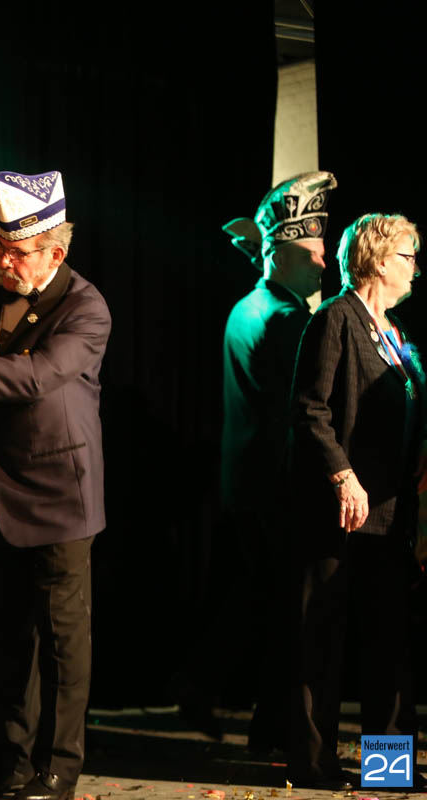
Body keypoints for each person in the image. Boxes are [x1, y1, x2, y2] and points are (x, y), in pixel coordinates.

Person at [0, 171, 110, 800]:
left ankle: (58, 768)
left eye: (17, 252)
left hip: (60, 491)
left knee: (62, 642)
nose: (3, 262)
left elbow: (38, 376)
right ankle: (9, 761)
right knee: (5, 634)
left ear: (54, 252)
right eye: (0, 248)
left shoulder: (86, 307)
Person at [198, 171, 336, 751]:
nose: (323, 263)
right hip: (279, 485)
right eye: (311, 253)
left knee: (260, 605)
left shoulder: (244, 308)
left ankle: (257, 721)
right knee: (287, 613)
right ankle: (278, 729)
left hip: (244, 481)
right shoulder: (290, 319)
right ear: (278, 254)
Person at [285, 213, 423, 791]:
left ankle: (388, 772)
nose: (416, 268)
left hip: (390, 516)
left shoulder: (394, 331)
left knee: (388, 646)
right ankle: (314, 765)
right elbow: (310, 408)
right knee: (323, 640)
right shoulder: (335, 319)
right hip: (339, 513)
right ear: (379, 260)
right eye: (409, 256)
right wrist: (343, 476)